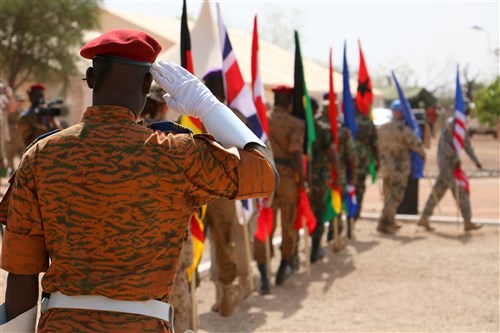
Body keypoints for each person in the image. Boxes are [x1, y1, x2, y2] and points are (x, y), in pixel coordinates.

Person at [0, 29, 277, 333]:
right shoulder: (178, 154)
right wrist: (208, 108)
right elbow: (264, 174)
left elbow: (22, 273)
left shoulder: (41, 155)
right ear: (148, 84)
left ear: (91, 78)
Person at [200, 68, 248, 317]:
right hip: (221, 191)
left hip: (198, 190)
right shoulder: (234, 116)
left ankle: (217, 297)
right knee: (223, 242)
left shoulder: (194, 112)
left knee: (202, 243)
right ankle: (225, 296)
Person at [418, 101, 483, 232]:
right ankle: (467, 221)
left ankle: (424, 217)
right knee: (461, 192)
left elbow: (467, 146)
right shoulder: (450, 124)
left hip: (451, 165)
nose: (469, 112)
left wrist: (476, 161)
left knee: (438, 191)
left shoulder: (461, 126)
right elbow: (444, 144)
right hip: (447, 165)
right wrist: (455, 157)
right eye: (468, 110)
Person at [266, 84, 305, 286]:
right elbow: (297, 154)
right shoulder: (295, 124)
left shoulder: (263, 118)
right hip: (287, 177)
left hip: (265, 177)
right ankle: (285, 263)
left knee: (267, 222)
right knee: (288, 222)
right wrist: (303, 179)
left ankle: (264, 268)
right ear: (289, 101)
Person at [377, 100, 425, 234]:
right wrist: (423, 154)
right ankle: (384, 222)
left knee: (388, 195)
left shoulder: (382, 128)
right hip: (399, 168)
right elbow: (416, 145)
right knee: (396, 196)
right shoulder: (404, 130)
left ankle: (390, 221)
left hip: (386, 167)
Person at [309, 97, 340, 263]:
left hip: (300, 180)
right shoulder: (321, 128)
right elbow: (333, 156)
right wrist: (338, 176)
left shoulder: (300, 125)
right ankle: (314, 249)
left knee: (300, 213)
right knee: (318, 213)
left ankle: (293, 255)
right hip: (318, 179)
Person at [353, 106, 379, 220]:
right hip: (363, 161)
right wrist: (377, 160)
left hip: (347, 161)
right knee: (359, 188)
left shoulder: (346, 120)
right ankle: (355, 215)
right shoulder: (368, 122)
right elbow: (375, 144)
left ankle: (349, 217)